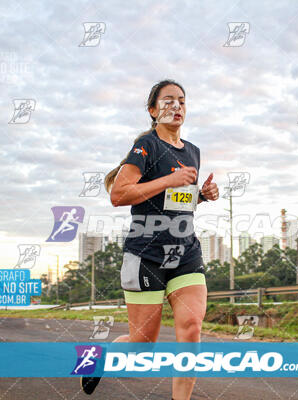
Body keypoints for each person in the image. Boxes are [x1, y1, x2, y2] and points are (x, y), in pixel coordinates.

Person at [82, 80, 219, 399]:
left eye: (182, 101)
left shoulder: (193, 151)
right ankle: (100, 358)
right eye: (168, 101)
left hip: (185, 253)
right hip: (147, 255)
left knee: (191, 329)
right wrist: (169, 178)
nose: (176, 106)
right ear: (153, 111)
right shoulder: (145, 146)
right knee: (141, 346)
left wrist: (202, 196)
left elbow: (175, 201)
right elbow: (119, 195)